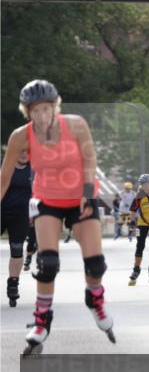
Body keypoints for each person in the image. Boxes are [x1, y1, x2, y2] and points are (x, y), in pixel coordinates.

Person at [0, 80, 115, 354]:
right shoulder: (20, 136)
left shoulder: (75, 125)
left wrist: (88, 193)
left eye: (46, 109)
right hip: (46, 199)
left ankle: (95, 299)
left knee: (95, 264)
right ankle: (41, 322)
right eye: (35, 111)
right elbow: (4, 179)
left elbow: (90, 160)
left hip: (80, 198)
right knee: (47, 262)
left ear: (55, 107)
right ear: (27, 112)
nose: (41, 116)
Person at [2, 149, 33, 307]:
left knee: (17, 250)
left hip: (20, 216)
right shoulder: (4, 165)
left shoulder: (33, 170)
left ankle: (13, 284)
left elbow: (37, 195)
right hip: (1, 211)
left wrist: (34, 216)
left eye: (26, 152)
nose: (23, 154)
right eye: (20, 151)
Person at [128, 173, 149, 286]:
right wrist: (132, 223)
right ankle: (136, 269)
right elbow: (133, 210)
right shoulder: (139, 195)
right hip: (142, 223)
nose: (146, 186)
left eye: (148, 184)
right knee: (140, 245)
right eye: (144, 184)